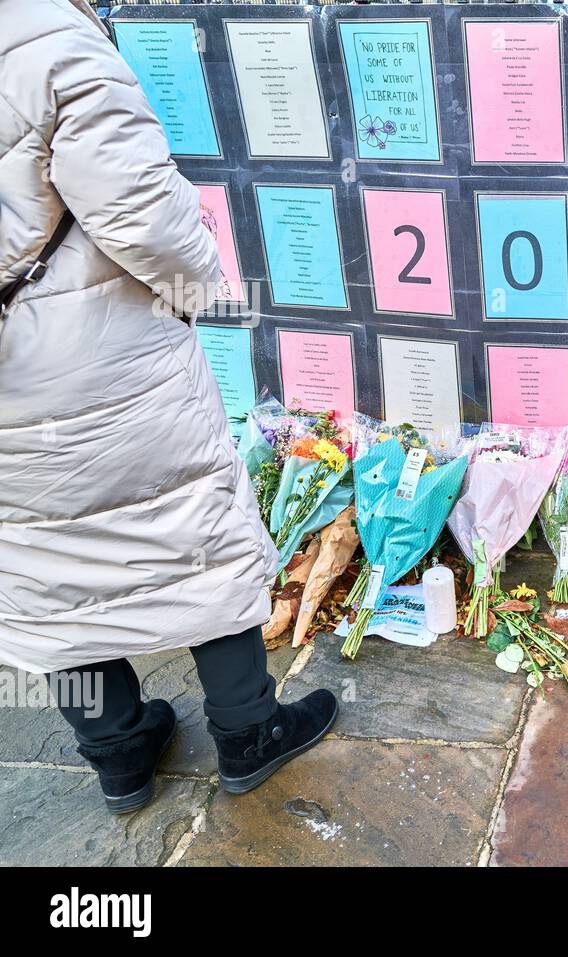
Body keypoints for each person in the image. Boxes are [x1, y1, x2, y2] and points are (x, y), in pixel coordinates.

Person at [0, 0, 338, 813]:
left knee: (49, 567)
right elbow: (142, 212)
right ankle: (248, 732)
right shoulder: (40, 31)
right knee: (191, 537)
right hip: (98, 352)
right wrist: (193, 295)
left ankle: (118, 754)